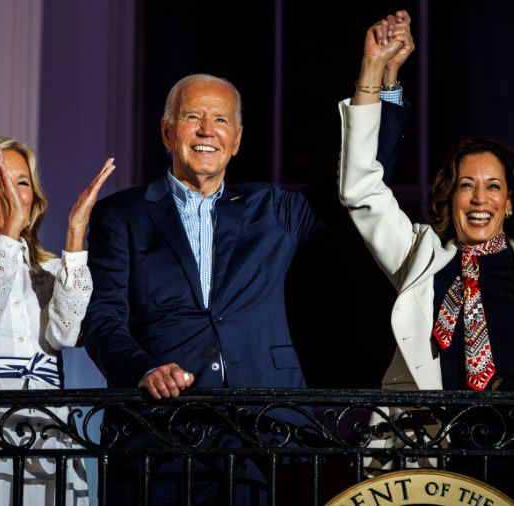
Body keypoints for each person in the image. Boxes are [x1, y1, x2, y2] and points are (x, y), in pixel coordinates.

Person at [81, 12, 414, 505]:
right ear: (167, 131)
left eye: (221, 120)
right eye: (193, 116)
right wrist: (143, 370)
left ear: (236, 141)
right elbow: (103, 320)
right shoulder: (122, 214)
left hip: (260, 434)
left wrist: (377, 80)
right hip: (157, 434)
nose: (207, 129)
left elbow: (360, 178)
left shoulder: (271, 210)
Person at [337, 20, 514, 506]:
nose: (479, 198)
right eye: (467, 185)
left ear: (509, 202)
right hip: (436, 466)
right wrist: (371, 73)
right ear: (451, 196)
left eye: (493, 186)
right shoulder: (421, 256)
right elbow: (360, 189)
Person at [0, 137, 114, 505]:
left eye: (21, 182)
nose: (12, 193)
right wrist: (9, 236)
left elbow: (66, 334)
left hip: (44, 426)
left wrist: (75, 236)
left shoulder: (48, 269)